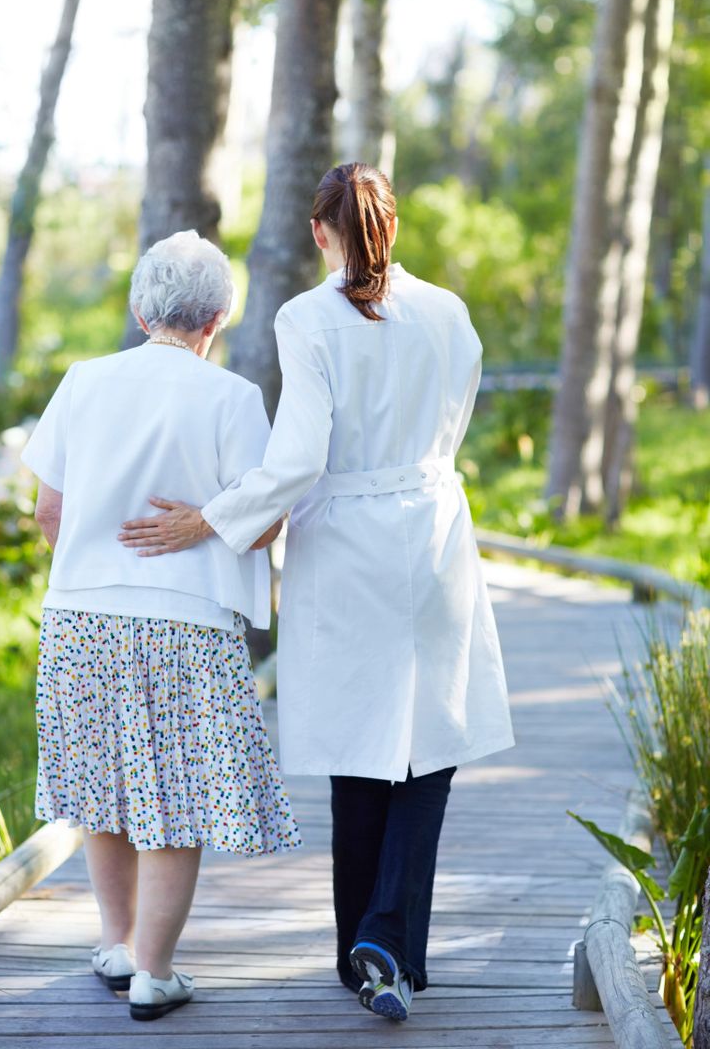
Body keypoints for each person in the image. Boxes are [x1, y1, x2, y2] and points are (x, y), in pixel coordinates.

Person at [117, 164, 515, 1022]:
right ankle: (383, 945)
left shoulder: (307, 318)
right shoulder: (448, 311)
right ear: (392, 227)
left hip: (347, 542)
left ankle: (365, 946)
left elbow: (297, 459)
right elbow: (459, 410)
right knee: (428, 740)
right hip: (435, 528)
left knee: (358, 741)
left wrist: (210, 521)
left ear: (317, 232)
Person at [20, 229, 301, 1023]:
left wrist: (100, 563)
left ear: (142, 311)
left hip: (81, 618)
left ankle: (116, 943)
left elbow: (50, 511)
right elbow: (264, 522)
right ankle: (153, 970)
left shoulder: (83, 381)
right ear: (216, 319)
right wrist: (202, 526)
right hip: (185, 626)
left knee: (103, 788)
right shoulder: (234, 398)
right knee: (176, 799)